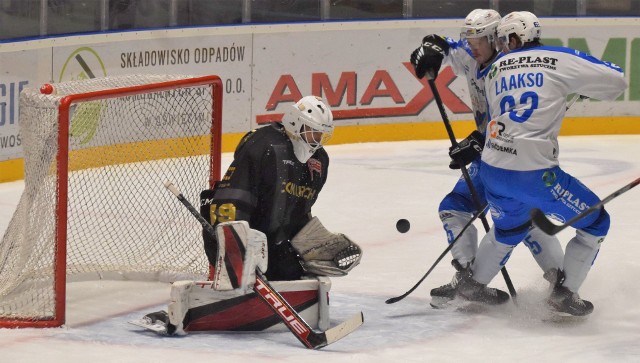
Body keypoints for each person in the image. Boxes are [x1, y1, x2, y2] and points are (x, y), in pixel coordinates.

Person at [136, 96, 362, 335]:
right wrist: (237, 245)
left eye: (321, 135)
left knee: (290, 274)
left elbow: (299, 210)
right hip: (232, 234)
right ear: (296, 124)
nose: (316, 142)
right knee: (238, 282)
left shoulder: (319, 161)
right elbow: (232, 199)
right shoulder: (264, 144)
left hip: (272, 243)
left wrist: (310, 241)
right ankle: (186, 310)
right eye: (313, 133)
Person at [466, 11, 627, 316]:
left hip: (493, 170)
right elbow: (616, 80)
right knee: (596, 222)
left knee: (508, 229)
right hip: (535, 173)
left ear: (515, 38)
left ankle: (472, 286)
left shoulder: (494, 69)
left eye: (504, 39)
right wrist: (583, 83)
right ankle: (564, 294)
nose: (502, 46)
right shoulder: (557, 57)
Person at [410, 9, 565, 307]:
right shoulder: (473, 54)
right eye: (470, 38)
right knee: (453, 208)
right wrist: (431, 47)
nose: (473, 45)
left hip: (520, 159)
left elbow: (518, 124)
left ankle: (562, 284)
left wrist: (478, 142)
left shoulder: (513, 69)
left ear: (497, 38)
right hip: (491, 158)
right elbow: (445, 46)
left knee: (525, 219)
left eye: (479, 39)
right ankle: (469, 276)